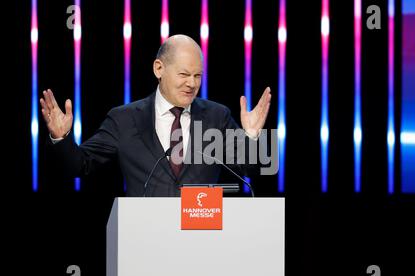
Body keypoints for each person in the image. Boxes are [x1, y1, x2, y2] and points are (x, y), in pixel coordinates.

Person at [40, 34, 271, 196]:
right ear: (159, 68)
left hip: (202, 240)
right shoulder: (124, 119)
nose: (192, 84)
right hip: (144, 242)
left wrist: (251, 138)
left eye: (198, 76)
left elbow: (250, 169)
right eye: (184, 74)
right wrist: (61, 139)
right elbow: (80, 166)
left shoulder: (216, 116)